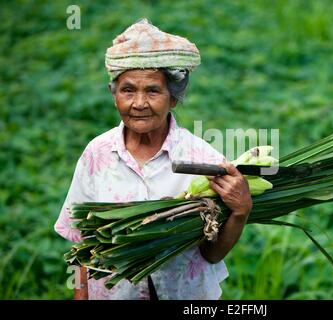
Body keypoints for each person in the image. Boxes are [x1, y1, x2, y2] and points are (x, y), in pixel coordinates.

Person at [54, 18, 253, 300]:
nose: (139, 103)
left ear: (173, 98)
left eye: (152, 91)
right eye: (128, 90)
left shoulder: (204, 160)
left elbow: (211, 254)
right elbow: (83, 246)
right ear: (114, 96)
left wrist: (241, 211)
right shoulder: (97, 154)